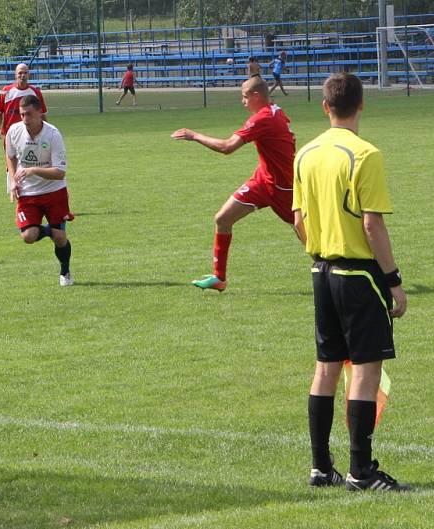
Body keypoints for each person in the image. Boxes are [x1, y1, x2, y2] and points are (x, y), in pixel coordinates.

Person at [293, 72, 409, 492]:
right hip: (358, 274)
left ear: (325, 107)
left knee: (325, 367)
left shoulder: (305, 154)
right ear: (362, 105)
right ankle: (361, 471)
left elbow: (298, 221)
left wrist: (322, 248)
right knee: (365, 368)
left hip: (320, 272)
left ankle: (321, 467)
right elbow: (373, 223)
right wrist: (393, 280)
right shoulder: (365, 154)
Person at [171, 75, 295, 292]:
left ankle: (330, 269)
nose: (243, 101)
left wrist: (194, 135)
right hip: (262, 181)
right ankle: (219, 278)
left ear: (256, 96)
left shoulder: (263, 118)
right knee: (222, 218)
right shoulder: (274, 110)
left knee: (307, 235)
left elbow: (227, 147)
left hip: (284, 187)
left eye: (245, 97)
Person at [6, 95, 74, 286]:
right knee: (28, 236)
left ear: (39, 112)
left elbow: (60, 173)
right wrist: (13, 180)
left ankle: (65, 271)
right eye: (21, 114)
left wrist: (32, 170)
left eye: (28, 114)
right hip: (28, 193)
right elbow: (10, 156)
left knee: (60, 239)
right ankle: (51, 230)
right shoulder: (14, 131)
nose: (24, 119)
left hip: (54, 191)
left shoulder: (53, 135)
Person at [0, 63, 47, 191]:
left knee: (31, 162)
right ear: (15, 75)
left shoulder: (35, 92)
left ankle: (36, 191)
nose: (22, 75)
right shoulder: (6, 91)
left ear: (29, 74)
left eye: (25, 73)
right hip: (9, 136)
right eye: (20, 73)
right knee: (11, 163)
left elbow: (42, 114)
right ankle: (14, 190)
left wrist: (46, 130)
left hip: (31, 135)